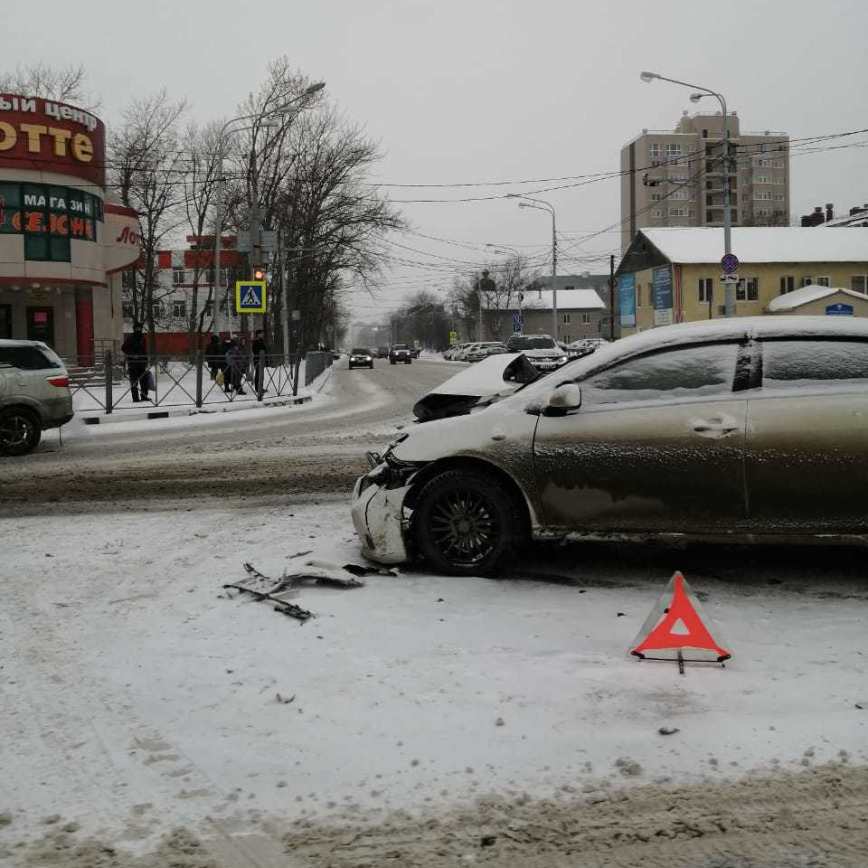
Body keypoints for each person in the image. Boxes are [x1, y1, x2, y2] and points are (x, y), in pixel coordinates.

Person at [121, 323, 150, 403]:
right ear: (134, 329)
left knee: (144, 381)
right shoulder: (131, 338)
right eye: (137, 329)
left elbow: (144, 351)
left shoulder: (142, 338)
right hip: (133, 364)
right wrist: (132, 355)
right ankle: (135, 398)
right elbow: (123, 348)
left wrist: (146, 360)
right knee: (134, 382)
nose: (138, 330)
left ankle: (144, 396)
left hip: (141, 363)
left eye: (139, 328)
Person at [251, 329, 268, 395]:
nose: (263, 335)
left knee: (261, 374)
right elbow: (255, 350)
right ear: (258, 334)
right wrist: (261, 354)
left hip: (261, 359)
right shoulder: (256, 341)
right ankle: (258, 388)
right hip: (258, 359)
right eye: (261, 333)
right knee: (258, 374)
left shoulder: (260, 341)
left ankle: (260, 387)